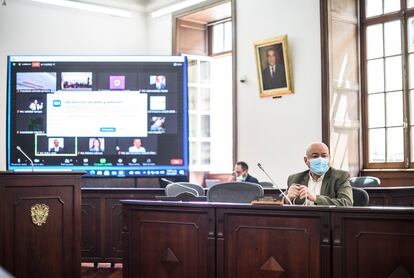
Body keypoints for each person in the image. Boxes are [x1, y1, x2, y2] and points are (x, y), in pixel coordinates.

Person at [285, 142, 353, 206]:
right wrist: (287, 199)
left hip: (327, 218)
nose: (320, 160)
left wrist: (315, 198)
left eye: (324, 156)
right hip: (302, 217)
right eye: (315, 156)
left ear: (329, 158)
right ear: (306, 160)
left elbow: (346, 203)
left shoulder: (341, 176)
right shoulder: (294, 178)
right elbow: (282, 203)